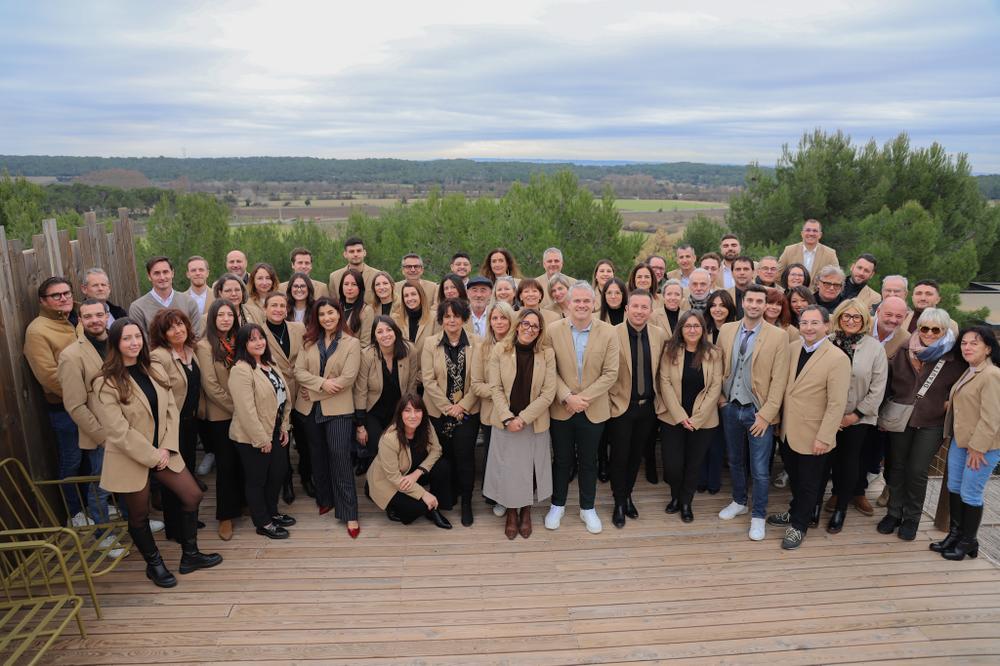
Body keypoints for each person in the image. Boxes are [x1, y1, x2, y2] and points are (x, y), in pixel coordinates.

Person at [90, 318, 221, 587]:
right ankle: (155, 565)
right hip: (131, 457)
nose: (134, 342)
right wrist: (152, 456)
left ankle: (190, 555)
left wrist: (166, 448)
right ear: (115, 342)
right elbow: (118, 431)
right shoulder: (105, 382)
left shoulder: (153, 369)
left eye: (137, 336)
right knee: (139, 515)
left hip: (164, 450)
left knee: (192, 494)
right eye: (126, 338)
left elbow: (170, 409)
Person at [766, 306, 850, 550]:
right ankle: (794, 512)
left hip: (815, 434)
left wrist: (824, 437)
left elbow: (836, 404)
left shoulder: (837, 358)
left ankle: (799, 526)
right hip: (789, 431)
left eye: (815, 323)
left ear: (827, 325)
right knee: (796, 478)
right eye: (804, 322)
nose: (809, 328)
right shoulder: (791, 349)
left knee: (809, 483)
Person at [878, 308, 966, 541]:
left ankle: (912, 518)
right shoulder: (906, 348)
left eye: (935, 329)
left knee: (917, 470)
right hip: (901, 416)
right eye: (924, 328)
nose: (928, 333)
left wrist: (951, 402)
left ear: (945, 331)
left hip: (932, 420)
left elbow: (967, 386)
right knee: (896, 466)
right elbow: (890, 380)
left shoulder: (954, 357)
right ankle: (894, 512)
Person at [545, 282, 620, 535]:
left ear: (594, 304)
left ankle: (587, 507)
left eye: (586, 301)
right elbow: (548, 369)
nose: (581, 305)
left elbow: (610, 374)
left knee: (589, 460)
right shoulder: (553, 330)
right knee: (562, 460)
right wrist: (567, 397)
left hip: (593, 408)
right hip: (561, 408)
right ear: (568, 303)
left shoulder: (608, 332)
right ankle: (558, 504)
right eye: (576, 301)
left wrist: (581, 399)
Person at [717, 285, 790, 541]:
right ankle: (739, 501)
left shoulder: (778, 336)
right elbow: (717, 366)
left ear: (765, 305)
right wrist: (721, 399)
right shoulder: (727, 330)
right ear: (743, 302)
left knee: (759, 469)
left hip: (758, 412)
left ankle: (758, 515)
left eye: (760, 301)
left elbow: (779, 380)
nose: (755, 305)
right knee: (735, 460)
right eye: (750, 300)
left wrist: (766, 415)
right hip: (730, 407)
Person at [485, 308, 557, 539]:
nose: (529, 329)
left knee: (530, 469)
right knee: (507, 468)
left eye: (535, 326)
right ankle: (511, 512)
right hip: (506, 421)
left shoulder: (546, 354)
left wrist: (523, 418)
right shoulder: (500, 349)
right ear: (517, 325)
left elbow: (548, 393)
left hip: (532, 422)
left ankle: (526, 510)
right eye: (525, 324)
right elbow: (494, 388)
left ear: (540, 331)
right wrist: (508, 417)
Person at [293, 298, 362, 537]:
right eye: (321, 314)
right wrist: (321, 384)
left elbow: (348, 378)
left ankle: (349, 513)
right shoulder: (308, 341)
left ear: (339, 314)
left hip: (339, 409)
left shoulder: (352, 343)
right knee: (318, 456)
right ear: (316, 318)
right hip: (310, 409)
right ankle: (325, 498)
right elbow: (298, 371)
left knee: (340, 457)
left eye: (331, 313)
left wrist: (313, 388)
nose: (327, 318)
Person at [821, 299, 888, 533]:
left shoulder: (874, 348)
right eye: (846, 316)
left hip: (858, 417)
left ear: (864, 321)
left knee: (850, 461)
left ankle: (841, 508)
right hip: (825, 415)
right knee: (825, 460)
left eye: (856, 317)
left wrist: (854, 415)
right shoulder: (827, 343)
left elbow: (878, 388)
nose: (851, 321)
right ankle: (822, 501)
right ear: (838, 318)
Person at [933, 326, 1000, 560]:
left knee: (971, 493)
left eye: (974, 343)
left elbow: (992, 416)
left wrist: (978, 446)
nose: (967, 347)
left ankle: (969, 541)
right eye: (964, 343)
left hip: (981, 447)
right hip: (960, 442)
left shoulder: (992, 375)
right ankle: (956, 534)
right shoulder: (970, 371)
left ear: (988, 348)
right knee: (954, 488)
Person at [24, 276, 86, 524]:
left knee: (95, 460)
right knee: (72, 460)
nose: (64, 298)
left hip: (93, 404)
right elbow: (48, 376)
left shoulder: (80, 317)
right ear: (43, 301)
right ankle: (75, 513)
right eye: (56, 295)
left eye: (67, 293)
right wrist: (83, 396)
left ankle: (96, 506)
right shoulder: (37, 331)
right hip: (65, 409)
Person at [229, 323, 296, 540]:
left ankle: (272, 512)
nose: (259, 342)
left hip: (275, 429)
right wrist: (261, 439)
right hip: (252, 436)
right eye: (252, 339)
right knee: (257, 479)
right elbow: (246, 410)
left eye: (261, 338)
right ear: (243, 344)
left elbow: (283, 397)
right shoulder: (241, 370)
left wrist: (284, 426)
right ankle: (263, 522)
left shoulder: (269, 363)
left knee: (278, 472)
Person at [606, 290, 666, 528]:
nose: (640, 311)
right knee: (620, 456)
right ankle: (619, 501)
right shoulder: (612, 334)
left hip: (647, 408)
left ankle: (627, 494)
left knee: (635, 455)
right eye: (635, 306)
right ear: (626, 309)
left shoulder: (659, 335)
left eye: (644, 307)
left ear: (650, 311)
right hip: (621, 407)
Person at [659, 310, 723, 522]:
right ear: (681, 329)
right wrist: (680, 416)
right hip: (673, 417)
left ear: (703, 330)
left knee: (693, 464)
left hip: (703, 421)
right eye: (688, 326)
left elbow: (715, 387)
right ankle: (675, 495)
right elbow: (665, 382)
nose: (692, 330)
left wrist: (696, 419)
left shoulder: (713, 353)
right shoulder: (670, 350)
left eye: (697, 326)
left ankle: (685, 502)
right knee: (673, 464)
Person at [57, 298, 116, 529]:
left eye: (99, 315)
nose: (94, 320)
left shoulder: (119, 341)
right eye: (88, 316)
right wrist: (102, 436)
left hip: (129, 426)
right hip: (102, 433)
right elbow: (75, 405)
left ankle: (135, 522)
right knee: (100, 486)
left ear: (106, 316)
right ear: (80, 320)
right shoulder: (71, 356)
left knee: (133, 479)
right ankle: (103, 534)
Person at [422, 298, 481, 526]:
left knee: (465, 456)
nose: (452, 320)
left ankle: (466, 502)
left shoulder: (477, 342)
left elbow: (478, 381)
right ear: (441, 320)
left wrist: (461, 407)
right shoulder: (430, 343)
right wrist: (448, 408)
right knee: (443, 456)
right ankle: (447, 497)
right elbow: (428, 380)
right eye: (447, 316)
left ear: (464, 318)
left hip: (467, 411)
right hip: (439, 411)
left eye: (456, 315)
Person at [148, 308, 204, 542]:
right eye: (171, 327)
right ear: (162, 333)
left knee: (188, 469)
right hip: (171, 427)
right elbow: (162, 395)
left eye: (180, 324)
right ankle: (175, 528)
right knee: (173, 478)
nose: (178, 330)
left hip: (190, 423)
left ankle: (186, 515)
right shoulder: (158, 356)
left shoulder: (191, 351)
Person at [366, 394, 453, 529]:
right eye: (407, 410)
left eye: (417, 410)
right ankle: (390, 504)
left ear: (423, 413)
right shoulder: (389, 439)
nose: (413, 416)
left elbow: (437, 450)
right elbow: (394, 478)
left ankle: (433, 509)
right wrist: (424, 493)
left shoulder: (425, 425)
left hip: (411, 472)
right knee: (417, 508)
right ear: (400, 413)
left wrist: (417, 473)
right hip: (388, 481)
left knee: (443, 466)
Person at [195, 300, 243, 541]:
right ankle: (225, 516)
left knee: (244, 461)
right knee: (225, 466)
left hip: (245, 412)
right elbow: (211, 386)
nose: (225, 319)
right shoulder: (204, 346)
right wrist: (238, 409)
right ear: (212, 318)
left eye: (229, 315)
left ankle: (244, 505)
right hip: (222, 414)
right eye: (220, 315)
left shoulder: (239, 341)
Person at [354, 316, 420, 476]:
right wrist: (360, 426)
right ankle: (374, 485)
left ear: (396, 331)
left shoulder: (409, 350)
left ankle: (396, 483)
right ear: (374, 336)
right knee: (377, 447)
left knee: (398, 447)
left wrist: (409, 416)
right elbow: (360, 391)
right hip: (373, 411)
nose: (385, 335)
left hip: (398, 410)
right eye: (380, 331)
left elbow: (412, 386)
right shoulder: (367, 355)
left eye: (389, 330)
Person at [260, 292, 307, 501]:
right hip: (275, 394)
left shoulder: (299, 328)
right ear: (265, 309)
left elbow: (308, 357)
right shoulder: (258, 332)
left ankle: (307, 477)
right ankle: (286, 482)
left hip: (302, 390)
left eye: (282, 305)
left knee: (305, 438)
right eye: (273, 305)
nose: (278, 309)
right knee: (283, 439)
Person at [470, 301, 516, 512]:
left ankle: (513, 495)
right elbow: (477, 385)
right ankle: (497, 497)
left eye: (503, 318)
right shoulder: (482, 347)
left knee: (514, 457)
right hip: (491, 413)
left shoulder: (519, 344)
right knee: (495, 457)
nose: (498, 322)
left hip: (516, 411)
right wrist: (500, 394)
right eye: (494, 318)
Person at [128, 257, 203, 337]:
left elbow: (196, 335)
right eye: (157, 273)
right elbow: (142, 341)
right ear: (149, 276)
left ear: (172, 273)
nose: (162, 277)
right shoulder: (138, 308)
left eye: (165, 272)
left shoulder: (189, 302)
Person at [391, 282, 434, 352]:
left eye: (413, 294)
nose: (410, 298)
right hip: (405, 361)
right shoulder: (396, 318)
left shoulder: (434, 317)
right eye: (406, 296)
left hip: (426, 361)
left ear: (421, 295)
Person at [339, 268, 375, 348]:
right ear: (341, 286)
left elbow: (365, 344)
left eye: (354, 284)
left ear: (360, 287)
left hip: (353, 356)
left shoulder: (366, 311)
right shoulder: (335, 307)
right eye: (346, 284)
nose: (349, 288)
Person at [872, 296, 910, 361]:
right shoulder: (861, 327)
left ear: (905, 317)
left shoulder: (906, 340)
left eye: (898, 316)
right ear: (878, 312)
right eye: (888, 314)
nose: (893, 320)